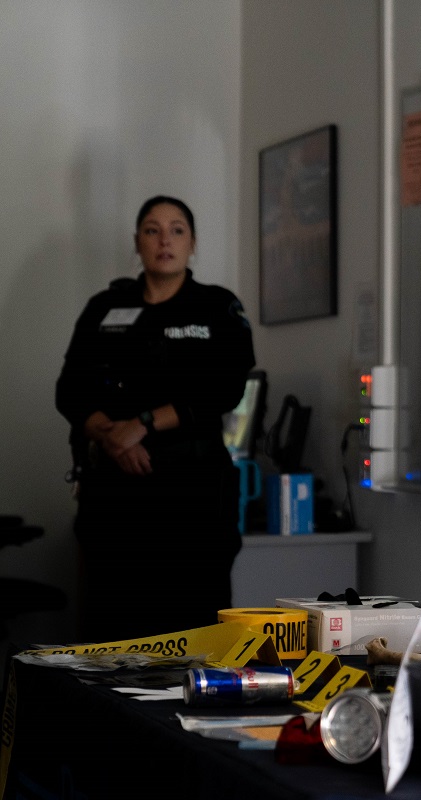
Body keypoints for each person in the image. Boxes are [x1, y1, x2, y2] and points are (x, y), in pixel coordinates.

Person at [56, 195, 255, 643]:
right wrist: (112, 437)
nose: (164, 239)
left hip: (192, 498)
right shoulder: (105, 307)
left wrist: (143, 423)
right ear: (137, 242)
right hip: (114, 499)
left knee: (191, 635)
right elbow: (69, 389)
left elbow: (226, 388)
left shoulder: (216, 307)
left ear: (193, 243)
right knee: (111, 636)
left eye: (177, 229)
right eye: (152, 229)